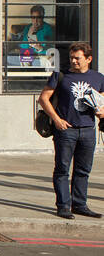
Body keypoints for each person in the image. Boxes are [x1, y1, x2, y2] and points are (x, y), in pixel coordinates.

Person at [39, 43, 104, 220]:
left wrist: (102, 112)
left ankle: (80, 204)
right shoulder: (60, 76)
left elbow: (103, 100)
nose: (73, 61)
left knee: (83, 170)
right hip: (66, 130)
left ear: (88, 59)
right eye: (71, 58)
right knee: (62, 169)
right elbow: (43, 98)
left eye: (77, 58)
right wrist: (57, 119)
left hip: (87, 130)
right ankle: (63, 206)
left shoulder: (98, 77)